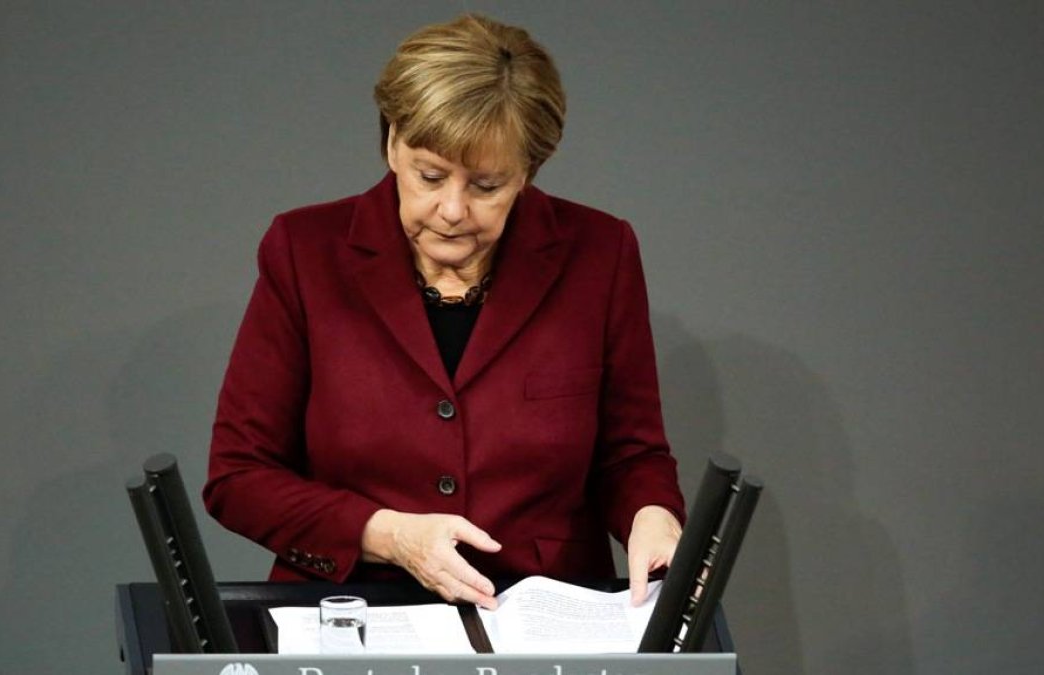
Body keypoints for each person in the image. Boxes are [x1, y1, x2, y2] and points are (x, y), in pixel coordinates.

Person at [204, 13, 685, 610]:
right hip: (354, 610)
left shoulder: (599, 253)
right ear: (390, 143)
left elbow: (631, 454)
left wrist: (653, 515)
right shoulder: (304, 252)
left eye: (486, 186)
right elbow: (239, 477)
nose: (452, 209)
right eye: (430, 176)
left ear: (530, 171)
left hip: (543, 611)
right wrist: (389, 535)